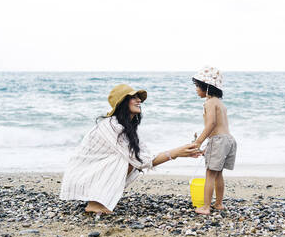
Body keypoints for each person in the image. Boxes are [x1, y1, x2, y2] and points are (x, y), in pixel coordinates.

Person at [59, 84, 200, 214]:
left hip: (92, 173)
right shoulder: (112, 125)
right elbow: (140, 161)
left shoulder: (127, 127)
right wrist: (176, 153)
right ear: (122, 103)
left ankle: (100, 199)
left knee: (130, 161)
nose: (139, 100)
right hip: (81, 175)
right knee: (124, 161)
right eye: (133, 97)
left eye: (139, 97)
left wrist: (183, 152)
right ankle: (94, 204)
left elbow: (145, 155)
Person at [192, 67, 237, 215]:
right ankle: (218, 204)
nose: (196, 90)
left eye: (198, 86)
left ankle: (205, 207)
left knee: (210, 174)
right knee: (218, 174)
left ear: (207, 87)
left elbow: (211, 125)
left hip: (219, 140)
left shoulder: (210, 103)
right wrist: (208, 145)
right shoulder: (220, 103)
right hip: (229, 140)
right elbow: (220, 129)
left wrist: (198, 142)